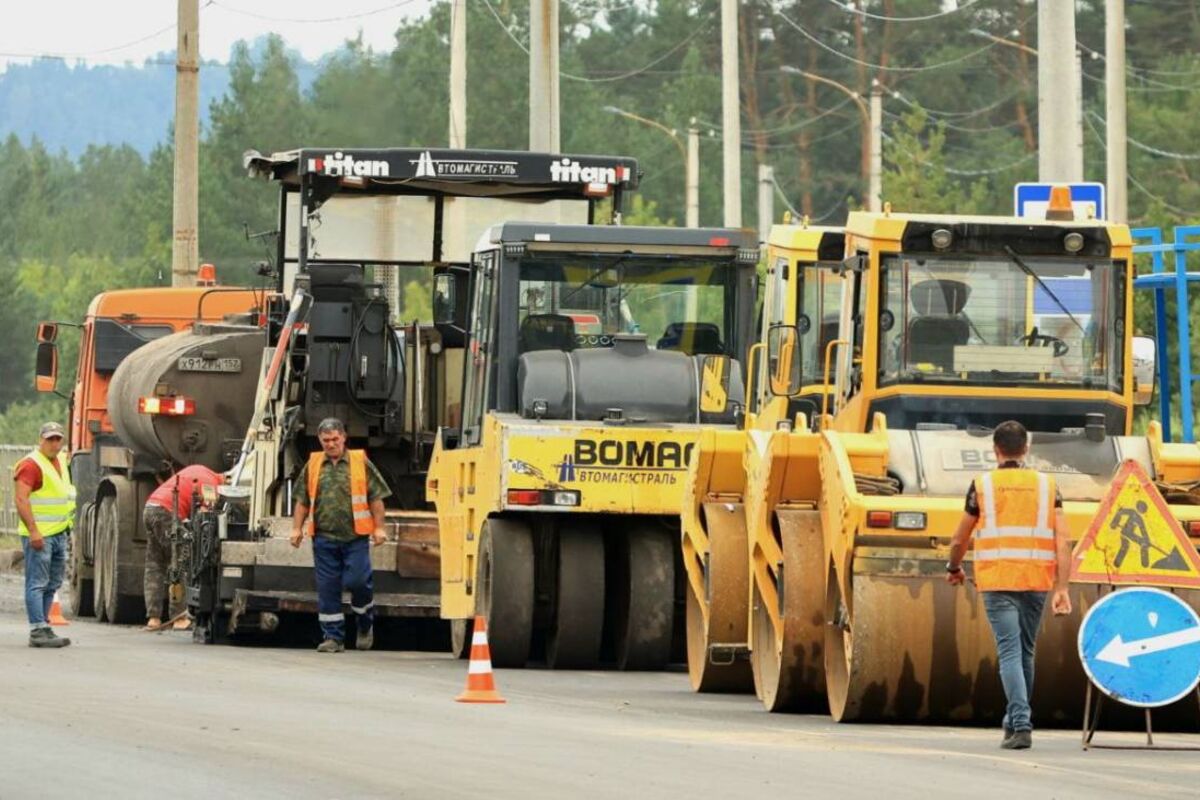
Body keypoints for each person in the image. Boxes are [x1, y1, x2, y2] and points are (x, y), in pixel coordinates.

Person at [947, 420, 1073, 750]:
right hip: (1037, 580)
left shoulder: (983, 485)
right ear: (1026, 449)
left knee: (1009, 653)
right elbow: (1064, 540)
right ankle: (1012, 719)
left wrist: (954, 567)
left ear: (996, 450)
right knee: (1025, 653)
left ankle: (1020, 723)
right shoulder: (1048, 486)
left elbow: (960, 537)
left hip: (998, 579)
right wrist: (1063, 587)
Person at [289, 418, 390, 653]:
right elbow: (302, 501)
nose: (331, 444)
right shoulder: (313, 464)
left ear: (344, 437)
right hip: (324, 539)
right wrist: (296, 528)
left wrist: (379, 527)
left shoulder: (359, 462)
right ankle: (333, 637)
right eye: (326, 440)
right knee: (328, 588)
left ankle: (365, 624)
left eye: (335, 439)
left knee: (358, 583)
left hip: (355, 538)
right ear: (320, 441)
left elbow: (376, 498)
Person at [13, 422, 76, 648]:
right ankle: (37, 629)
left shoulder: (59, 460)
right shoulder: (31, 464)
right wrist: (33, 531)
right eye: (50, 439)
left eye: (58, 439)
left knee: (53, 583)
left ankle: (45, 625)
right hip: (40, 535)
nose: (54, 443)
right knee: (37, 583)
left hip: (59, 533)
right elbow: (21, 499)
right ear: (41, 439)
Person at [143, 464, 224, 632]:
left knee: (155, 565)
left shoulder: (200, 469)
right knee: (180, 562)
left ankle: (154, 617)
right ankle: (179, 617)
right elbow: (205, 516)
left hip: (150, 507)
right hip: (166, 513)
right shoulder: (212, 484)